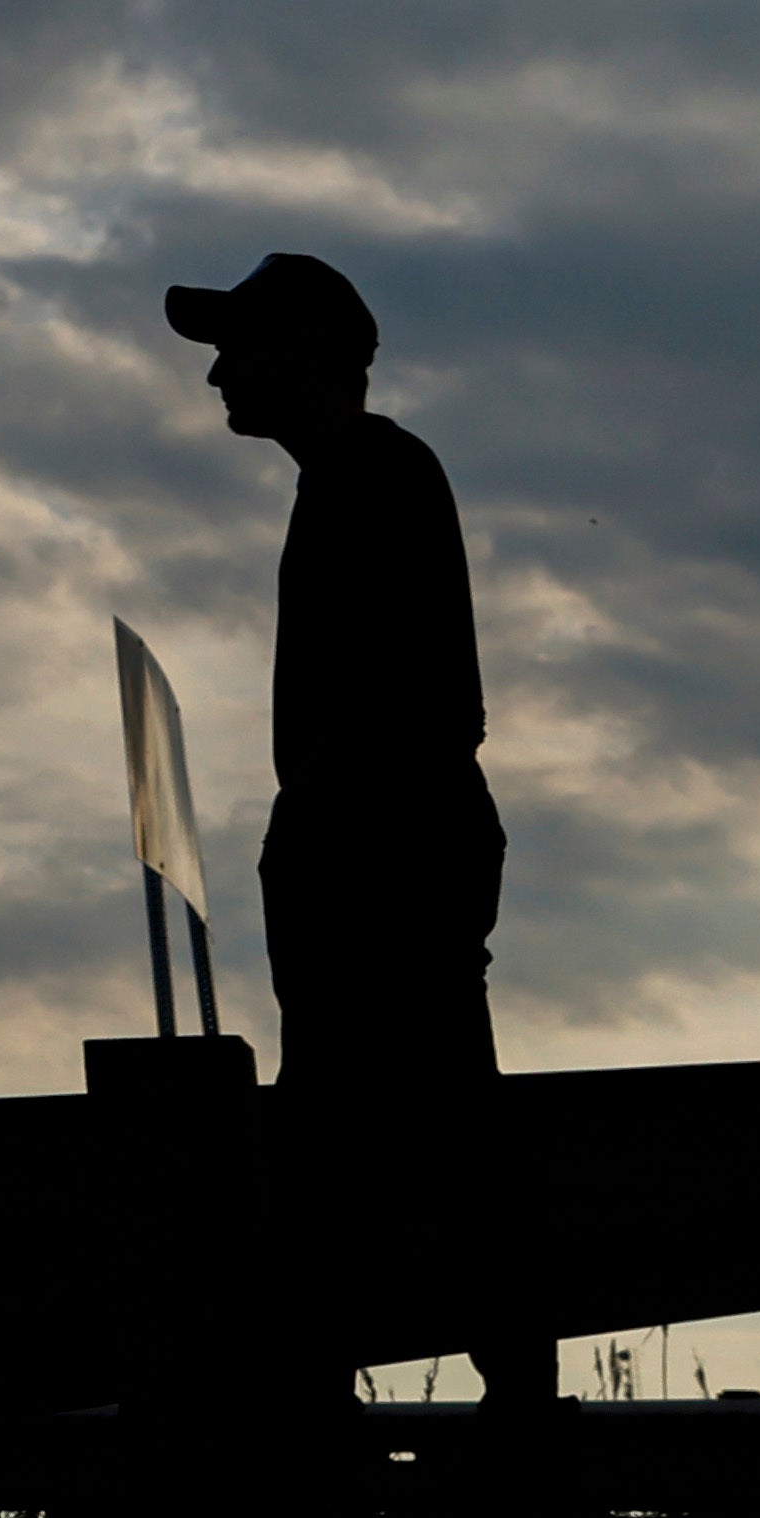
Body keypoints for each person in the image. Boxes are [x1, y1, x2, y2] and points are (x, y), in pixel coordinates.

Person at [169, 250, 499, 1094]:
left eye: (237, 347)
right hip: (375, 849)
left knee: (383, 1125)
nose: (216, 373)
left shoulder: (372, 474)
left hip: (381, 859)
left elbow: (403, 716)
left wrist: (325, 829)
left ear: (300, 350)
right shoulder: (354, 476)